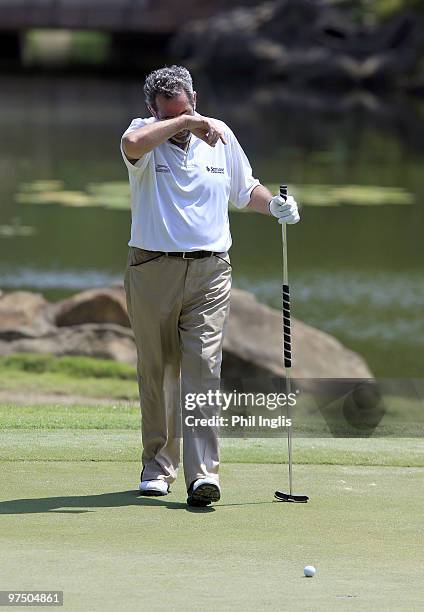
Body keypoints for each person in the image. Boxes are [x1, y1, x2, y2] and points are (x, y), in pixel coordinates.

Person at [121, 65, 300, 507]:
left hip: (211, 269)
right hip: (152, 267)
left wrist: (274, 205)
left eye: (188, 108)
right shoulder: (143, 134)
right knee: (159, 369)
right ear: (154, 110)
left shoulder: (221, 135)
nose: (186, 121)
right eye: (172, 114)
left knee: (204, 365)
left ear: (195, 97)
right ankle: (158, 466)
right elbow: (132, 146)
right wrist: (182, 124)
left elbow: (245, 189)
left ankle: (203, 475)